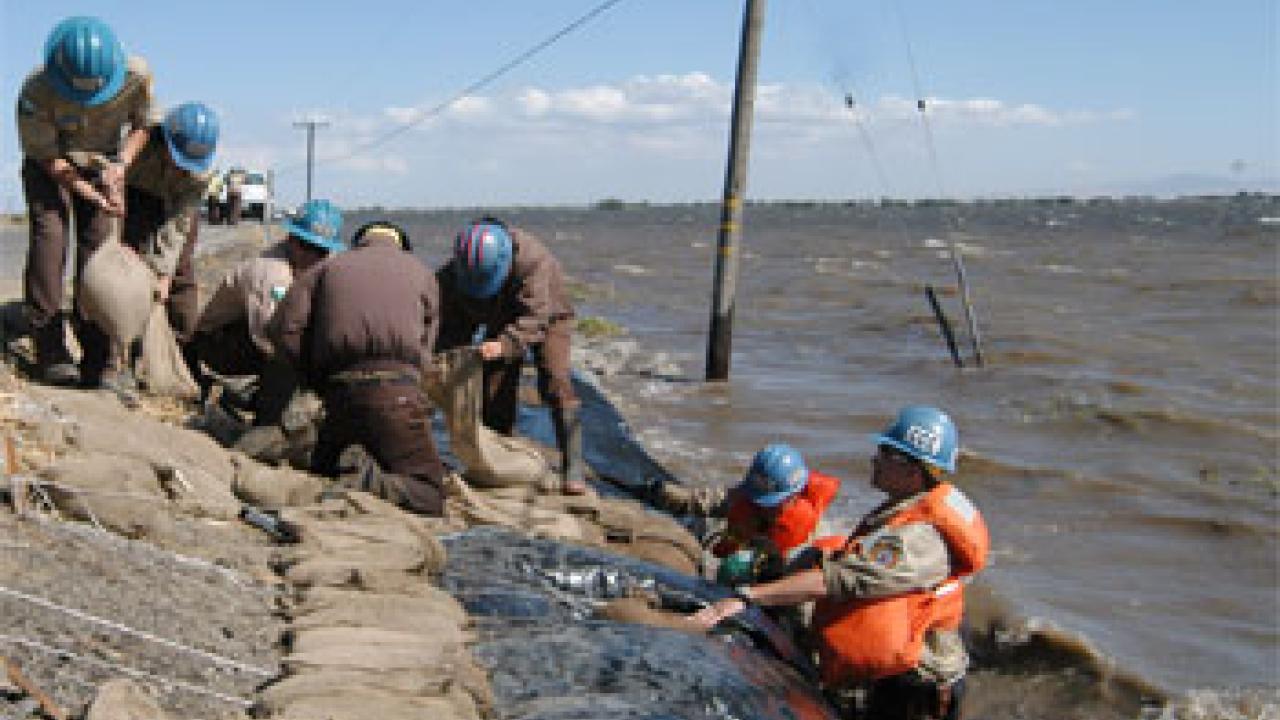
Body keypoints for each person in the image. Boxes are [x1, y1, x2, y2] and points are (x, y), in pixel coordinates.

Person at [690, 407, 989, 720]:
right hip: (901, 676)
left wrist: (746, 597)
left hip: (917, 689)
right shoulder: (903, 511)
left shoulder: (916, 539)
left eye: (886, 452)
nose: (875, 458)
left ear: (913, 472)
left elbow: (835, 579)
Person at [268, 220, 447, 516]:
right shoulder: (423, 274)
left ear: (359, 242)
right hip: (396, 397)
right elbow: (425, 351)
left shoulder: (325, 270)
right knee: (429, 493)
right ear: (399, 245)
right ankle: (369, 482)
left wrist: (314, 377)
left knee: (324, 473)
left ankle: (349, 473)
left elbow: (284, 328)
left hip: (339, 397)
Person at [15, 16, 154, 386]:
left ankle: (100, 357)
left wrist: (120, 167)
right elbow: (47, 157)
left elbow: (144, 124)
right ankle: (50, 350)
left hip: (103, 165)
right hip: (52, 166)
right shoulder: (36, 91)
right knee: (51, 239)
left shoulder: (136, 76)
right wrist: (85, 190)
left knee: (98, 253)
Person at [435, 217, 585, 495]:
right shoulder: (452, 274)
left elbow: (535, 318)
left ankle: (573, 467)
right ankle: (498, 458)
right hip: (493, 312)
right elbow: (448, 327)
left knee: (556, 380)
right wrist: (447, 362)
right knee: (493, 383)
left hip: (548, 315)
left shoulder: (533, 261)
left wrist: (505, 344)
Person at [90, 101, 219, 390]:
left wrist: (164, 274)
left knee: (181, 279)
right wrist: (117, 240)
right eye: (176, 158)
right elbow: (112, 183)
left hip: (177, 211)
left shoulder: (200, 174)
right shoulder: (139, 140)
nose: (179, 167)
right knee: (127, 274)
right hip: (135, 195)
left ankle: (183, 361)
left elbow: (179, 226)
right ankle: (115, 357)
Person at [188, 199, 344, 428]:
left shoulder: (314, 269)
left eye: (321, 251)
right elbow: (269, 339)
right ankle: (266, 424)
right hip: (217, 342)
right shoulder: (272, 274)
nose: (314, 257)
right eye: (306, 247)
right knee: (285, 358)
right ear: (292, 240)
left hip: (249, 334)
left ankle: (249, 399)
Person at [650, 443, 841, 585]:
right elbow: (710, 501)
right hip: (732, 556)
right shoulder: (748, 498)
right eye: (758, 499)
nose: (763, 506)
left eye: (772, 503)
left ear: (793, 496)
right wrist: (668, 494)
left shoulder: (812, 536)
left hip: (774, 578)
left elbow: (802, 582)